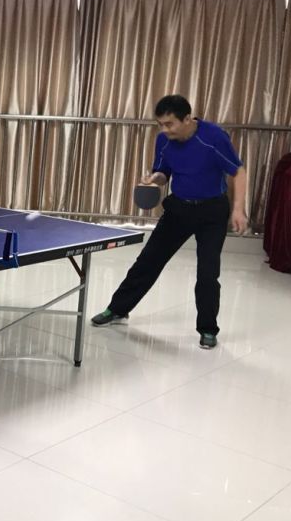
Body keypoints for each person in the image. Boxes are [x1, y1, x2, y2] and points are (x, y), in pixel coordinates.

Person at [90, 94, 248, 350]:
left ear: (187, 119)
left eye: (169, 124)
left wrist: (238, 209)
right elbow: (164, 173)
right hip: (179, 209)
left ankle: (208, 329)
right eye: (160, 124)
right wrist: (155, 178)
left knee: (208, 274)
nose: (164, 129)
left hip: (212, 212)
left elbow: (238, 171)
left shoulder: (213, 137)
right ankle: (117, 309)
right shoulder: (164, 140)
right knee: (148, 261)